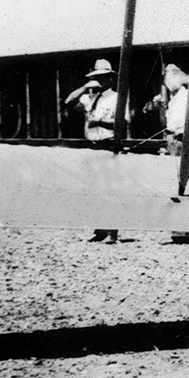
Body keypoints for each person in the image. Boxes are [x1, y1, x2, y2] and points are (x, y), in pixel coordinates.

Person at [64, 59, 121, 244]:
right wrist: (84, 87)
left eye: (103, 77)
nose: (100, 81)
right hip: (92, 144)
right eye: (97, 77)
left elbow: (122, 122)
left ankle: (113, 231)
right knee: (95, 188)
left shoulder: (117, 98)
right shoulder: (90, 98)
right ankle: (100, 229)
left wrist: (99, 122)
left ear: (111, 78)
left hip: (108, 143)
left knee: (110, 188)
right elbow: (68, 101)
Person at [157, 64, 189, 244]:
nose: (167, 81)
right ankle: (178, 227)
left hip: (181, 139)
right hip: (172, 138)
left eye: (170, 76)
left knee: (181, 181)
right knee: (174, 182)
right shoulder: (173, 99)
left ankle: (184, 228)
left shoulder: (186, 96)